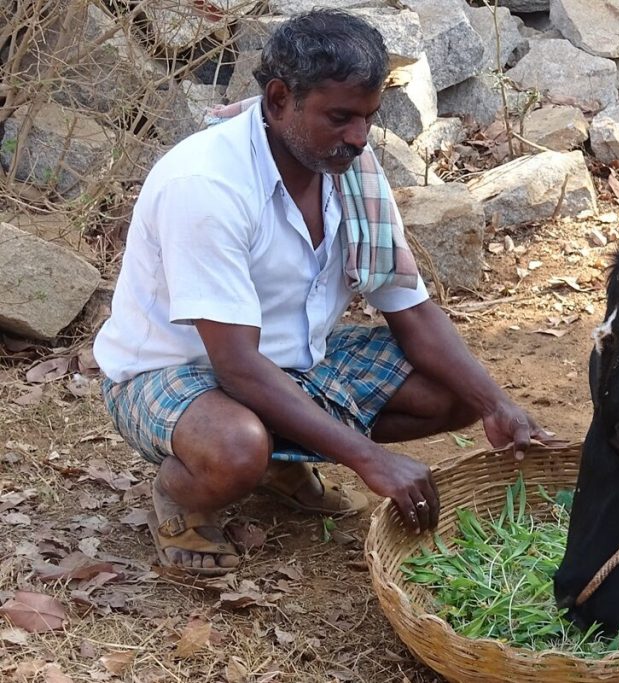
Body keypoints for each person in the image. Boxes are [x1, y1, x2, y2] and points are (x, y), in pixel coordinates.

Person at [93, 9, 552, 575]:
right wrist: (368, 459)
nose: (359, 137)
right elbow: (235, 366)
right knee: (235, 446)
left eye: (367, 117)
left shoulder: (348, 165)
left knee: (455, 391)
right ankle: (185, 495)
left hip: (296, 362)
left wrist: (496, 405)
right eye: (340, 117)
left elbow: (410, 308)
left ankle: (278, 460)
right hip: (175, 372)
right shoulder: (206, 185)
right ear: (280, 98)